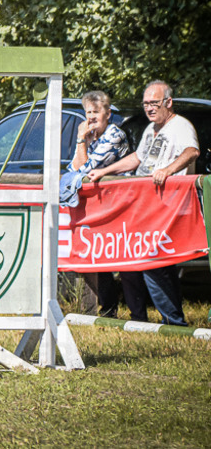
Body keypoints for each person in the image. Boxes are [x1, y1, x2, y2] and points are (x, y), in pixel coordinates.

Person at [90, 80, 199, 326]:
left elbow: (192, 151)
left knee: (154, 261)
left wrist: (168, 170)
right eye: (146, 103)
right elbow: (138, 158)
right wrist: (104, 171)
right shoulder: (151, 129)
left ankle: (174, 323)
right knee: (147, 262)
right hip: (147, 205)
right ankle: (152, 319)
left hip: (170, 208)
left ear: (168, 103)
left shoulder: (180, 126)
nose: (149, 108)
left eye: (154, 103)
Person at [65, 90, 129, 317]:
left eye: (96, 112)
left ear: (108, 114)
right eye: (88, 112)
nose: (91, 117)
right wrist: (83, 141)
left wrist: (81, 139)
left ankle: (136, 313)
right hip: (97, 206)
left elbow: (83, 171)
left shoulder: (115, 135)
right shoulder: (91, 136)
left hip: (121, 205)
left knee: (123, 263)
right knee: (96, 255)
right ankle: (103, 309)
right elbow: (72, 169)